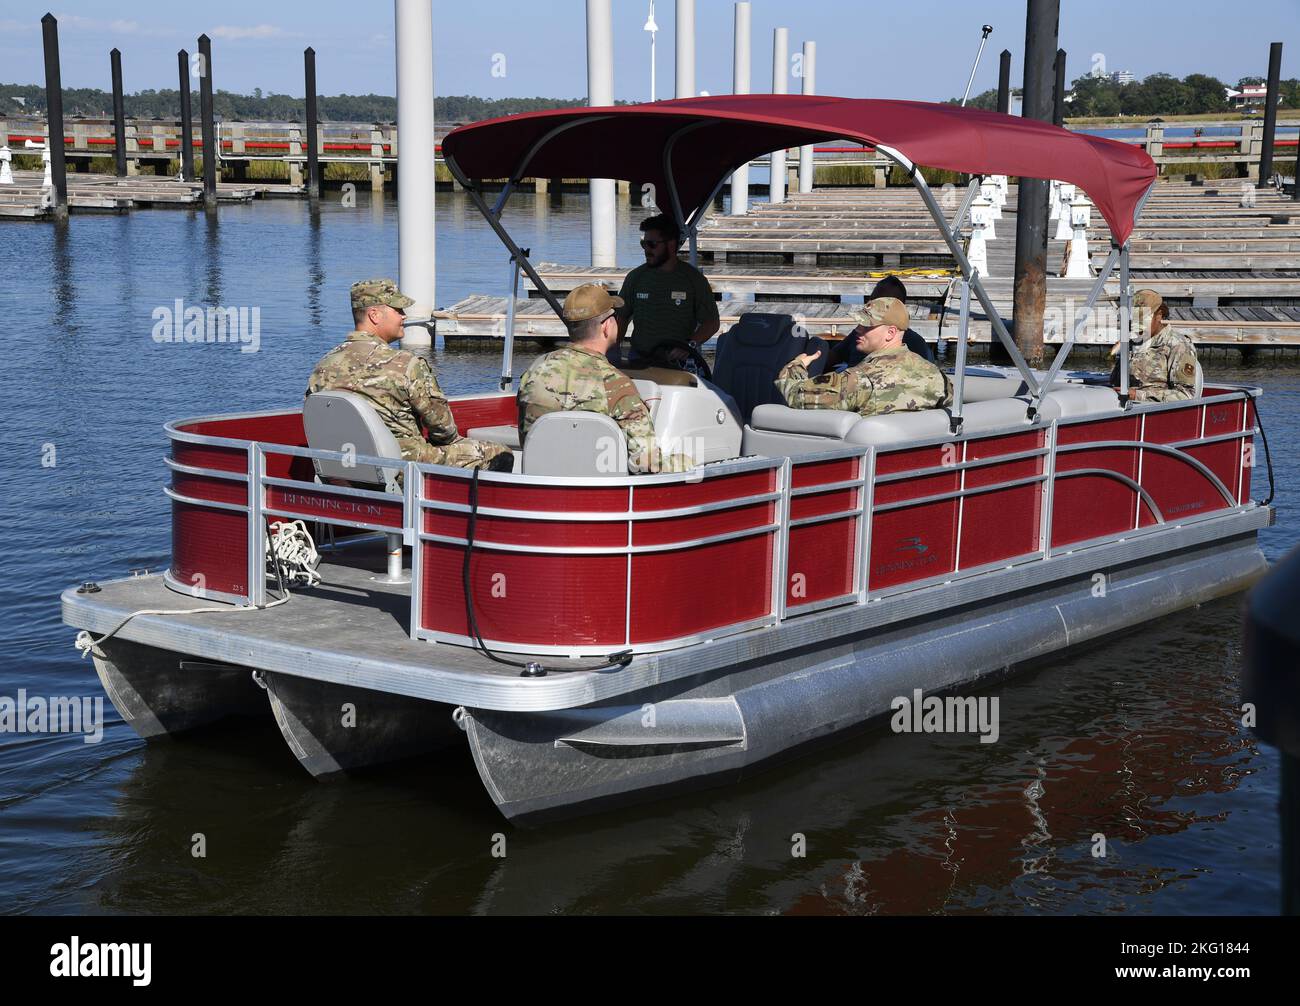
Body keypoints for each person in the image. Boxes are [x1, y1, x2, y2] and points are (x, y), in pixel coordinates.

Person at [306, 278, 513, 471]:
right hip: (403, 467)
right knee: (499, 453)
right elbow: (444, 431)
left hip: (347, 468)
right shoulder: (404, 365)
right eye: (398, 309)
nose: (404, 315)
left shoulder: (323, 366)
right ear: (374, 315)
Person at [517, 284, 692, 474]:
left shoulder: (536, 369)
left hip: (540, 481)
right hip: (596, 490)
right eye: (615, 317)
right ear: (607, 326)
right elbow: (646, 463)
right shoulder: (615, 383)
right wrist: (688, 462)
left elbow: (527, 436)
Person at [775, 297, 950, 416]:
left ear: (890, 333)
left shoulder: (861, 379)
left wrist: (797, 366)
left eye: (867, 325)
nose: (858, 329)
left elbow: (794, 395)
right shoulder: (935, 375)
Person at [615, 213, 720, 365]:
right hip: (639, 360)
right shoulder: (635, 277)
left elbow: (711, 323)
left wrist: (689, 345)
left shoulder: (694, 280)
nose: (646, 249)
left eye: (652, 244)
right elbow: (621, 318)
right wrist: (612, 351)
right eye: (643, 244)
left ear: (671, 244)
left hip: (677, 363)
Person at [1109, 289, 1198, 403]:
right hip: (1121, 405)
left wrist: (1138, 395)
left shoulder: (1178, 345)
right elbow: (1114, 381)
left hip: (1154, 412)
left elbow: (1186, 394)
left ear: (1159, 316)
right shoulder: (1132, 342)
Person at [826, 275, 934, 367]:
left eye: (883, 302)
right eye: (873, 300)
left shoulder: (916, 344)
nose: (873, 305)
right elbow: (834, 355)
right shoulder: (859, 335)